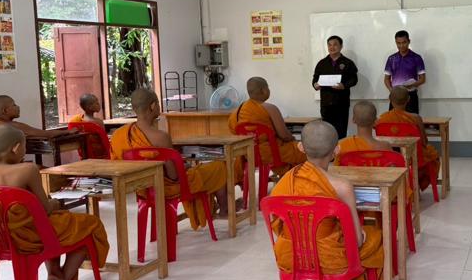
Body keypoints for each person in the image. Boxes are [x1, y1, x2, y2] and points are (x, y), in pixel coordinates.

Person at [269, 120, 384, 280]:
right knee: (373, 241)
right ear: (336, 150)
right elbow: (356, 241)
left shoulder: (283, 182)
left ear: (300, 147)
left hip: (289, 256)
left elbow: (277, 224)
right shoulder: (341, 186)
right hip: (328, 259)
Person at [0, 124, 109, 280]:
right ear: (15, 148)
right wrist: (55, 203)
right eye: (24, 147)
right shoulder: (27, 170)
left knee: (57, 222)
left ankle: (55, 278)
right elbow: (45, 209)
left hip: (2, 240)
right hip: (30, 238)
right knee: (88, 226)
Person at [110, 88, 229, 222]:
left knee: (201, 170)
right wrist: (184, 166)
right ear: (152, 106)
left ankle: (211, 208)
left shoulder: (119, 135)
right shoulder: (161, 137)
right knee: (219, 167)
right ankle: (224, 210)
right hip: (168, 188)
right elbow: (173, 176)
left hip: (143, 190)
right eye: (158, 103)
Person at [227, 77, 307, 176]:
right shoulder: (270, 108)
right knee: (306, 150)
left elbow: (234, 133)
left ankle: (287, 176)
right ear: (263, 90)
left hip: (249, 154)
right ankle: (294, 179)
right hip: (272, 153)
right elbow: (284, 135)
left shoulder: (236, 113)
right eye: (268, 87)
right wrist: (294, 140)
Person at [377, 86, 439, 192]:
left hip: (391, 158)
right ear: (408, 99)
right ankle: (415, 186)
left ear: (390, 99)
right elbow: (424, 142)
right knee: (433, 155)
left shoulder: (382, 119)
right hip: (413, 158)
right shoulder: (415, 118)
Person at [312, 35, 358, 139]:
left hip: (341, 103)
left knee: (341, 132)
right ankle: (329, 150)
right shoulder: (322, 63)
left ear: (341, 46)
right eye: (329, 45)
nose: (332, 47)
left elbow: (354, 79)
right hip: (326, 104)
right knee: (327, 133)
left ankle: (340, 149)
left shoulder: (348, 63)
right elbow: (315, 79)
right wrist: (315, 85)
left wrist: (344, 86)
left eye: (335, 44)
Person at [334, 101, 393, 165]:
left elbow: (336, 168)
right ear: (375, 121)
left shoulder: (341, 145)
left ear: (353, 120)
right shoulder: (385, 147)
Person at [383, 30, 425, 114]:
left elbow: (422, 79)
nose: (401, 45)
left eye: (404, 42)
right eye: (398, 43)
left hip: (411, 95)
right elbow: (386, 79)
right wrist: (392, 91)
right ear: (396, 42)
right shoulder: (391, 59)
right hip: (395, 96)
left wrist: (412, 85)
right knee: (394, 120)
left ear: (409, 41)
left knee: (412, 120)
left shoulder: (417, 58)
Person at [0, 95, 74, 137]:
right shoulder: (13, 126)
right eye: (14, 105)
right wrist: (67, 131)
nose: (18, 107)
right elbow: (46, 134)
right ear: (5, 111)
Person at [69, 93, 108, 158]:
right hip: (101, 155)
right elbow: (104, 140)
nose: (99, 104)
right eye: (96, 103)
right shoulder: (98, 122)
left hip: (85, 155)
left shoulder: (76, 121)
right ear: (89, 107)